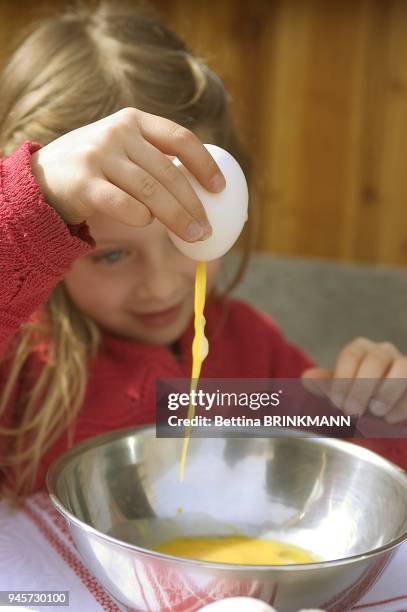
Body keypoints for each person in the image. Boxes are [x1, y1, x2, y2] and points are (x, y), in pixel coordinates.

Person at [0, 1, 405, 505]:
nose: (163, 285)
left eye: (189, 236)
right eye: (110, 256)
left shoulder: (252, 352)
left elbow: (330, 468)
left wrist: (379, 416)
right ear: (46, 232)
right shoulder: (20, 360)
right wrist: (34, 198)